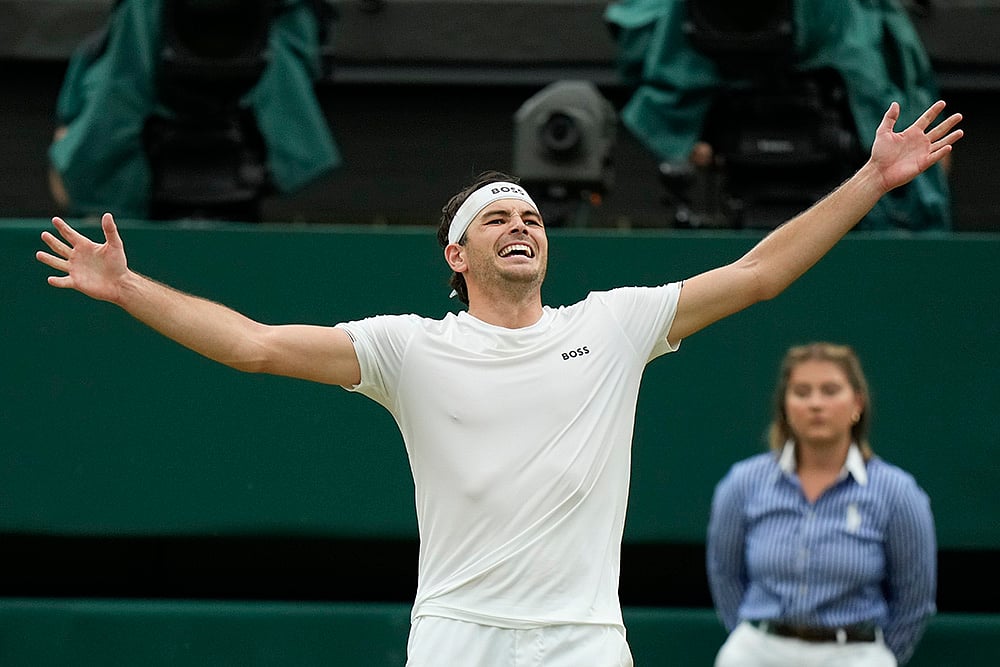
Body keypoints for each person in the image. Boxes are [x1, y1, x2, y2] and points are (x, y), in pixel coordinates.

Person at [35, 100, 960, 667]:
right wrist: (126, 287)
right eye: (497, 218)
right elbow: (253, 345)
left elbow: (760, 273)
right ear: (458, 252)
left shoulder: (616, 323)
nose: (522, 224)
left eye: (531, 215)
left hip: (585, 641)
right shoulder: (406, 348)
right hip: (458, 635)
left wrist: (871, 182)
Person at [706, 343, 936, 666]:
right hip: (760, 650)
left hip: (853, 652)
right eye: (802, 392)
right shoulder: (744, 483)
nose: (816, 403)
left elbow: (915, 599)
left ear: (857, 403)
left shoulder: (897, 492)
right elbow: (724, 574)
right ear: (784, 405)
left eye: (830, 391)